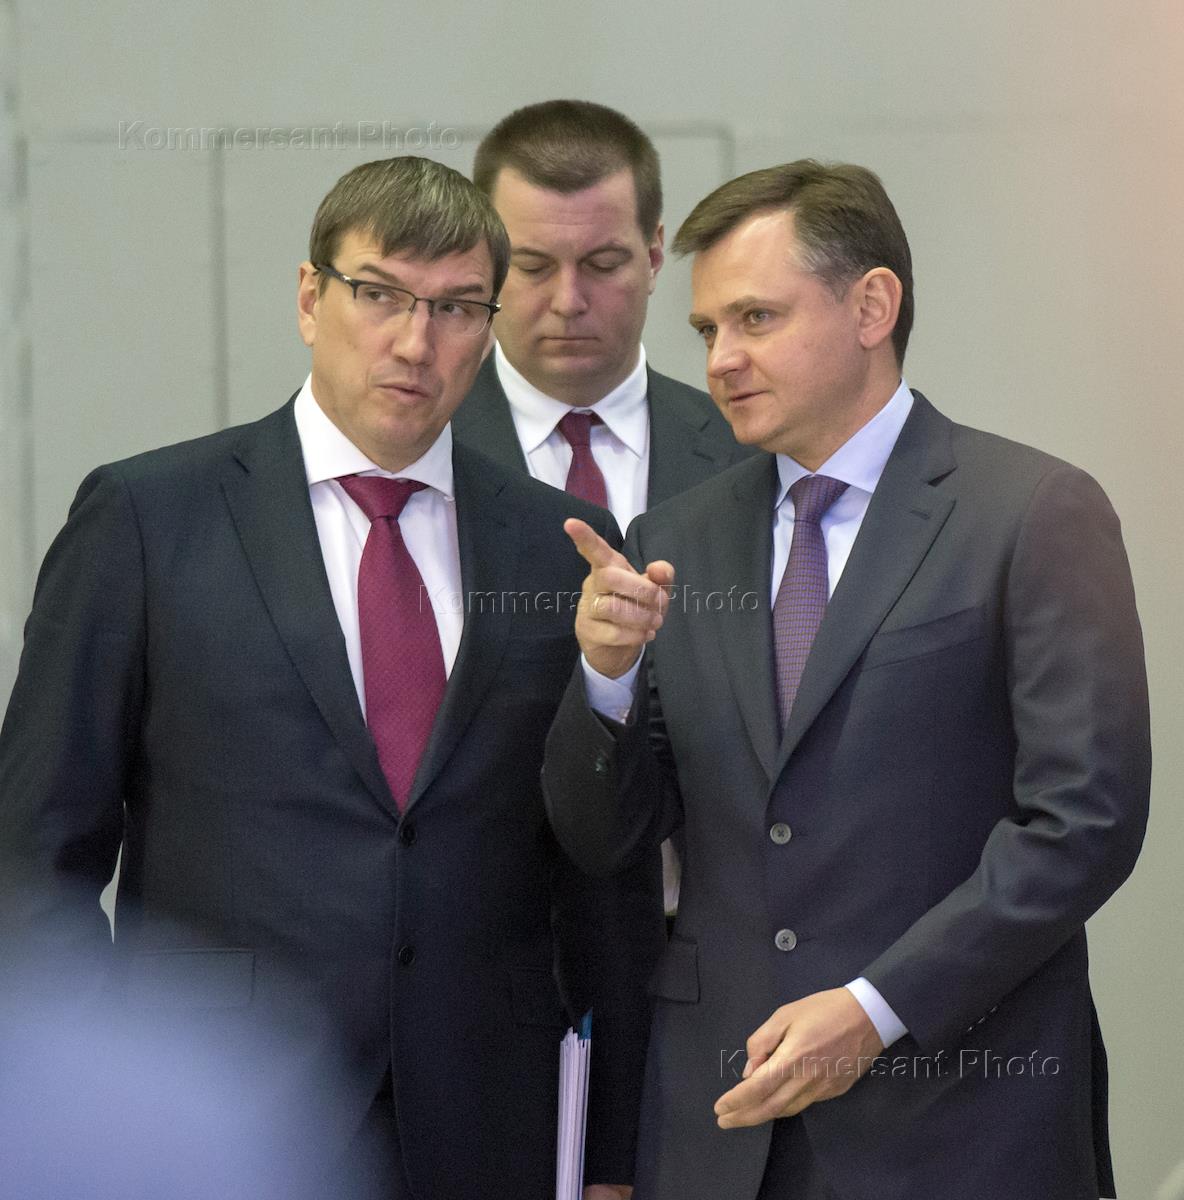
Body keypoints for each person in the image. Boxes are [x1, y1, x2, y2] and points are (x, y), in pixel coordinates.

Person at [0, 156, 661, 1200]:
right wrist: (91, 1111)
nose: (415, 342)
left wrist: (613, 1150)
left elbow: (601, 878)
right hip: (220, 1103)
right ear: (311, 299)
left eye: (455, 308)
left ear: (489, 329)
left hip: (489, 1111)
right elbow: (37, 854)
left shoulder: (559, 544)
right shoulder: (147, 519)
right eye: (379, 295)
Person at [542, 160, 1150, 1199]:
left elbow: (1082, 823)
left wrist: (874, 1008)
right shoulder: (673, 540)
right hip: (723, 1128)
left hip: (961, 1120)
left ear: (871, 306)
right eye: (706, 330)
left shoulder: (1030, 512)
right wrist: (605, 676)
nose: (721, 360)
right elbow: (607, 839)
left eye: (756, 318)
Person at [454, 99, 752, 916]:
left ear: (655, 255)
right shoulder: (417, 463)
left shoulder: (751, 453)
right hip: (496, 938)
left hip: (704, 941)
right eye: (532, 265)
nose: (569, 299)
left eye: (603, 262)